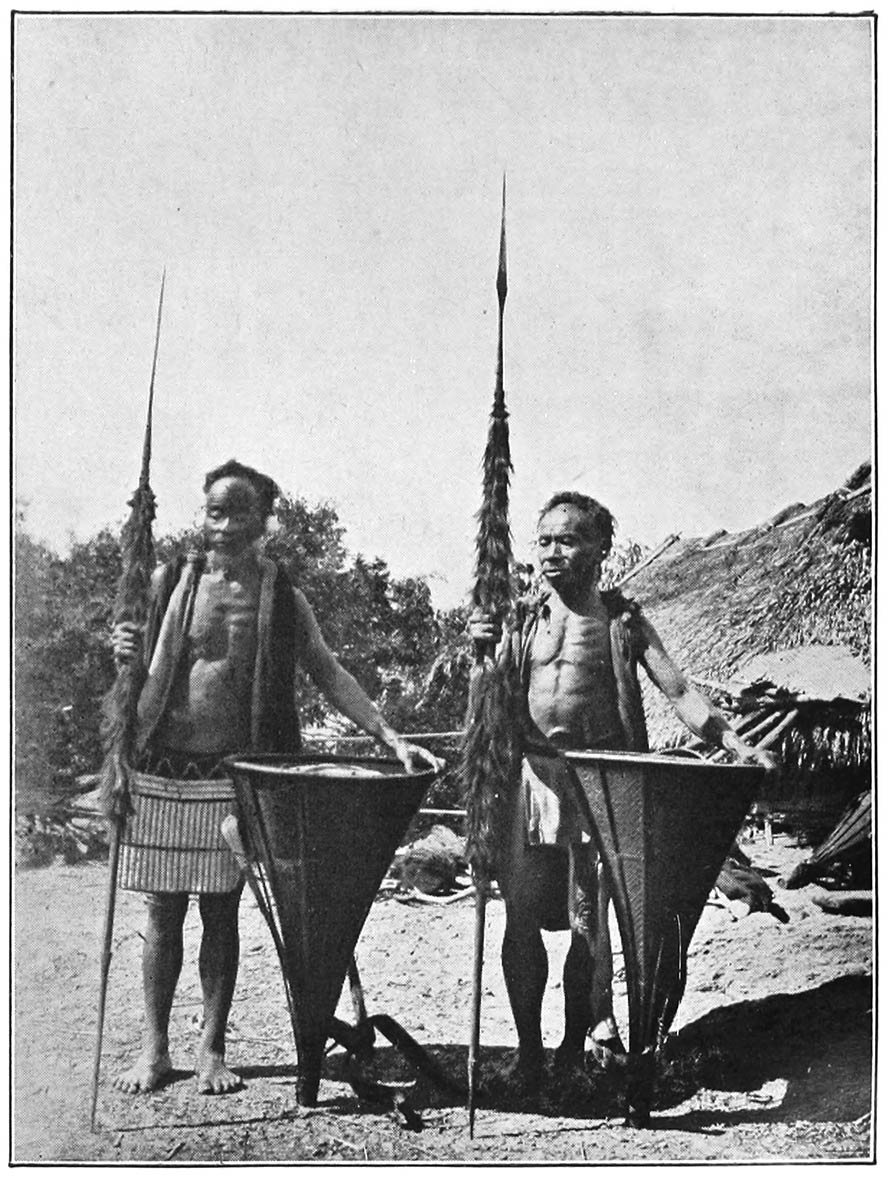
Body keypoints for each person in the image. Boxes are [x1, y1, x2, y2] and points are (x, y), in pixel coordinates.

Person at [111, 459, 439, 1096]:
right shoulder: (170, 579)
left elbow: (328, 670)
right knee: (162, 911)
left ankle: (210, 1048)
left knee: (221, 915)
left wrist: (389, 734)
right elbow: (134, 670)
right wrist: (122, 653)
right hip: (163, 767)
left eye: (238, 511)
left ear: (265, 520)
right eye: (214, 510)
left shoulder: (279, 593)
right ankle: (154, 1047)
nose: (223, 523)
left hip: (237, 774)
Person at [469, 491, 775, 1092]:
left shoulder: (622, 620)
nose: (553, 552)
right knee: (520, 919)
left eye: (568, 540)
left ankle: (568, 1048)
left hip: (598, 783)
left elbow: (680, 692)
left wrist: (736, 744)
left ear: (600, 547)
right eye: (545, 541)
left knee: (588, 925)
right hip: (530, 780)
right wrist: (481, 648)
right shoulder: (523, 618)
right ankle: (528, 1052)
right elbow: (490, 696)